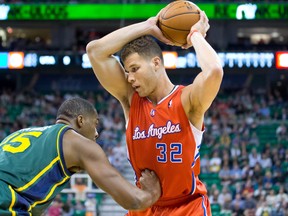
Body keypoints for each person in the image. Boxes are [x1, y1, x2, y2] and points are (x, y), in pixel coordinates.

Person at [87, 7, 223, 216]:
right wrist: (149, 26)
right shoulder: (132, 101)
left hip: (187, 207)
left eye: (134, 69)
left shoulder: (187, 100)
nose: (129, 78)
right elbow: (95, 51)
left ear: (156, 63)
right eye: (126, 72)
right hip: (144, 206)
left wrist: (194, 34)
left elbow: (214, 70)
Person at [0, 97, 161, 215]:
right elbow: (132, 200)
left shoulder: (23, 133)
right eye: (96, 124)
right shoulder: (78, 143)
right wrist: (152, 193)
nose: (97, 133)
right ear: (81, 121)